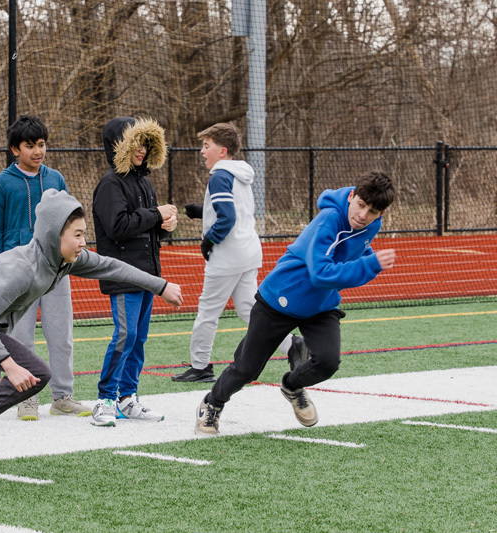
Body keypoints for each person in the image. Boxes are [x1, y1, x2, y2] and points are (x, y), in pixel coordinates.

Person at [0, 189, 183, 465]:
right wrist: (8, 364)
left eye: (83, 234)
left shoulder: (62, 260)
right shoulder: (23, 267)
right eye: (77, 234)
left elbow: (111, 266)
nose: (83, 242)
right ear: (55, 234)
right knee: (37, 373)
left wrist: (161, 286)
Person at [195, 171, 396, 434]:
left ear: (380, 214)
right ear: (351, 196)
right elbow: (321, 273)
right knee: (246, 369)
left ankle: (292, 385)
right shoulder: (329, 220)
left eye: (372, 212)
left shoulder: (372, 224)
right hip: (279, 300)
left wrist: (367, 255)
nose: (363, 215)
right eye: (360, 205)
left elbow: (353, 249)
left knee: (328, 361)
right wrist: (370, 264)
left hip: (320, 305)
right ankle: (212, 403)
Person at [171, 122, 309, 384]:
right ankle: (293, 345)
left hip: (228, 256)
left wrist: (208, 240)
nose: (202, 151)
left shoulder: (220, 175)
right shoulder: (240, 173)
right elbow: (237, 210)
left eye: (206, 145)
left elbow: (227, 218)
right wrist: (203, 211)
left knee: (208, 311)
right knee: (249, 309)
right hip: (248, 252)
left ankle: (200, 366)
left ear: (222, 151)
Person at [0, 115, 89, 420]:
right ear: (15, 149)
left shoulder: (56, 179)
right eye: (30, 146)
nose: (37, 151)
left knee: (61, 334)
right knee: (22, 338)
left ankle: (63, 397)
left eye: (41, 144)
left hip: (56, 272)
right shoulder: (2, 183)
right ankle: (26, 398)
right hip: (19, 275)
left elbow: (70, 223)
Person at [91, 116, 177, 427]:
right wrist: (155, 214)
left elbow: (146, 229)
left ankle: (128, 398)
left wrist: (164, 226)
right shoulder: (109, 184)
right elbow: (117, 227)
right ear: (119, 146)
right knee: (125, 335)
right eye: (134, 143)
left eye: (145, 143)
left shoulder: (145, 182)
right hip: (123, 274)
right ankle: (105, 400)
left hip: (147, 275)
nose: (141, 149)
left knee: (138, 338)